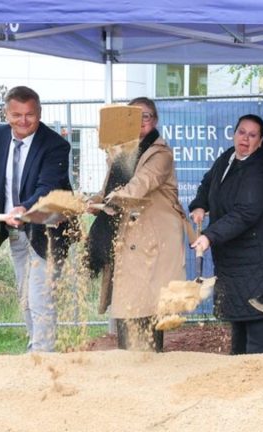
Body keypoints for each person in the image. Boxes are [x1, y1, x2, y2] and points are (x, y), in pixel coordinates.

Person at [87, 97, 187, 352]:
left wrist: (109, 202)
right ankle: (131, 370)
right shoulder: (122, 154)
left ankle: (149, 371)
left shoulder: (160, 153)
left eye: (147, 116)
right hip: (127, 242)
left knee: (148, 310)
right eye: (135, 116)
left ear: (155, 121)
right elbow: (109, 189)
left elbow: (140, 185)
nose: (142, 122)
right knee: (127, 310)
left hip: (152, 245)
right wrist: (92, 202)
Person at [0, 85, 72, 352]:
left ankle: (42, 355)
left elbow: (47, 188)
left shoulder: (55, 145)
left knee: (41, 297)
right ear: (6, 113)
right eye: (16, 114)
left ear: (39, 113)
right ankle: (37, 347)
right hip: (15, 232)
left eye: (29, 114)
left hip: (48, 231)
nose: (22, 121)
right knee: (26, 297)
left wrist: (24, 208)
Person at [189, 114, 263, 355]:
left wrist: (209, 236)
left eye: (252, 135)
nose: (245, 138)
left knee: (258, 321)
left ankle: (259, 379)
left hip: (258, 260)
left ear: (260, 141)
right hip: (233, 258)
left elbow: (246, 213)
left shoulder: (260, 169)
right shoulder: (227, 158)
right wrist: (199, 205)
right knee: (239, 323)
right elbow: (207, 182)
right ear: (234, 134)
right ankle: (239, 379)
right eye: (242, 132)